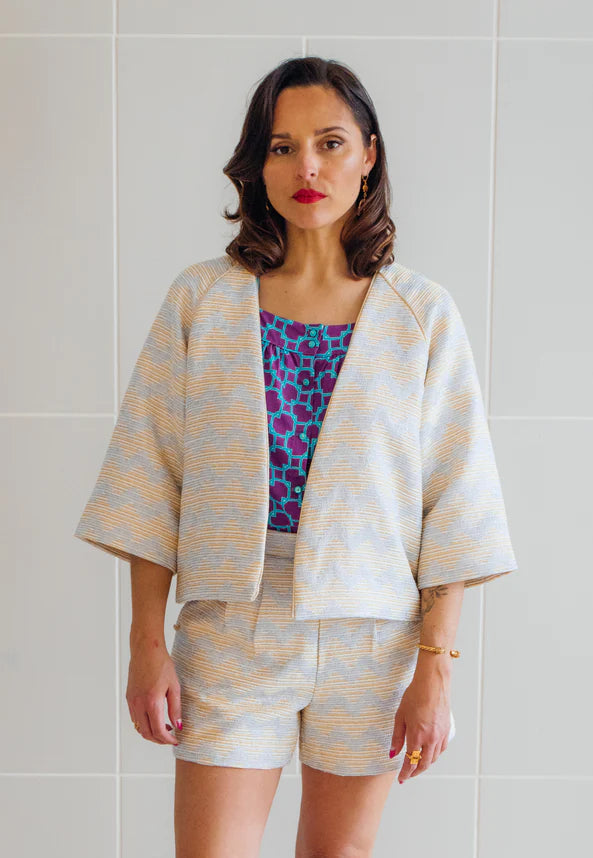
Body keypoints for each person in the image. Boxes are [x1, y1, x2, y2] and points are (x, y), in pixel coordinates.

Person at [74, 56, 518, 857]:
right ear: (258, 163)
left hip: (373, 635)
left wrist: (436, 671)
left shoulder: (421, 316)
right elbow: (150, 474)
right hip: (230, 625)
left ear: (370, 154)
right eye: (282, 148)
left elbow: (455, 500)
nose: (306, 167)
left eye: (330, 143)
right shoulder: (202, 300)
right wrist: (146, 645)